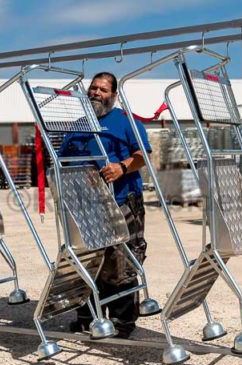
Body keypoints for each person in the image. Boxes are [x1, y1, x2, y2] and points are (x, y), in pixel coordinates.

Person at [58, 72, 152, 339]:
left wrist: (121, 168)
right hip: (86, 205)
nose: (95, 93)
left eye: (102, 89)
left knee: (120, 262)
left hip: (122, 201)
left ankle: (123, 322)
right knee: (88, 261)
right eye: (92, 88)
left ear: (113, 95)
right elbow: (62, 160)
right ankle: (89, 316)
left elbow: (142, 155)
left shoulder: (125, 122)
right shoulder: (77, 125)